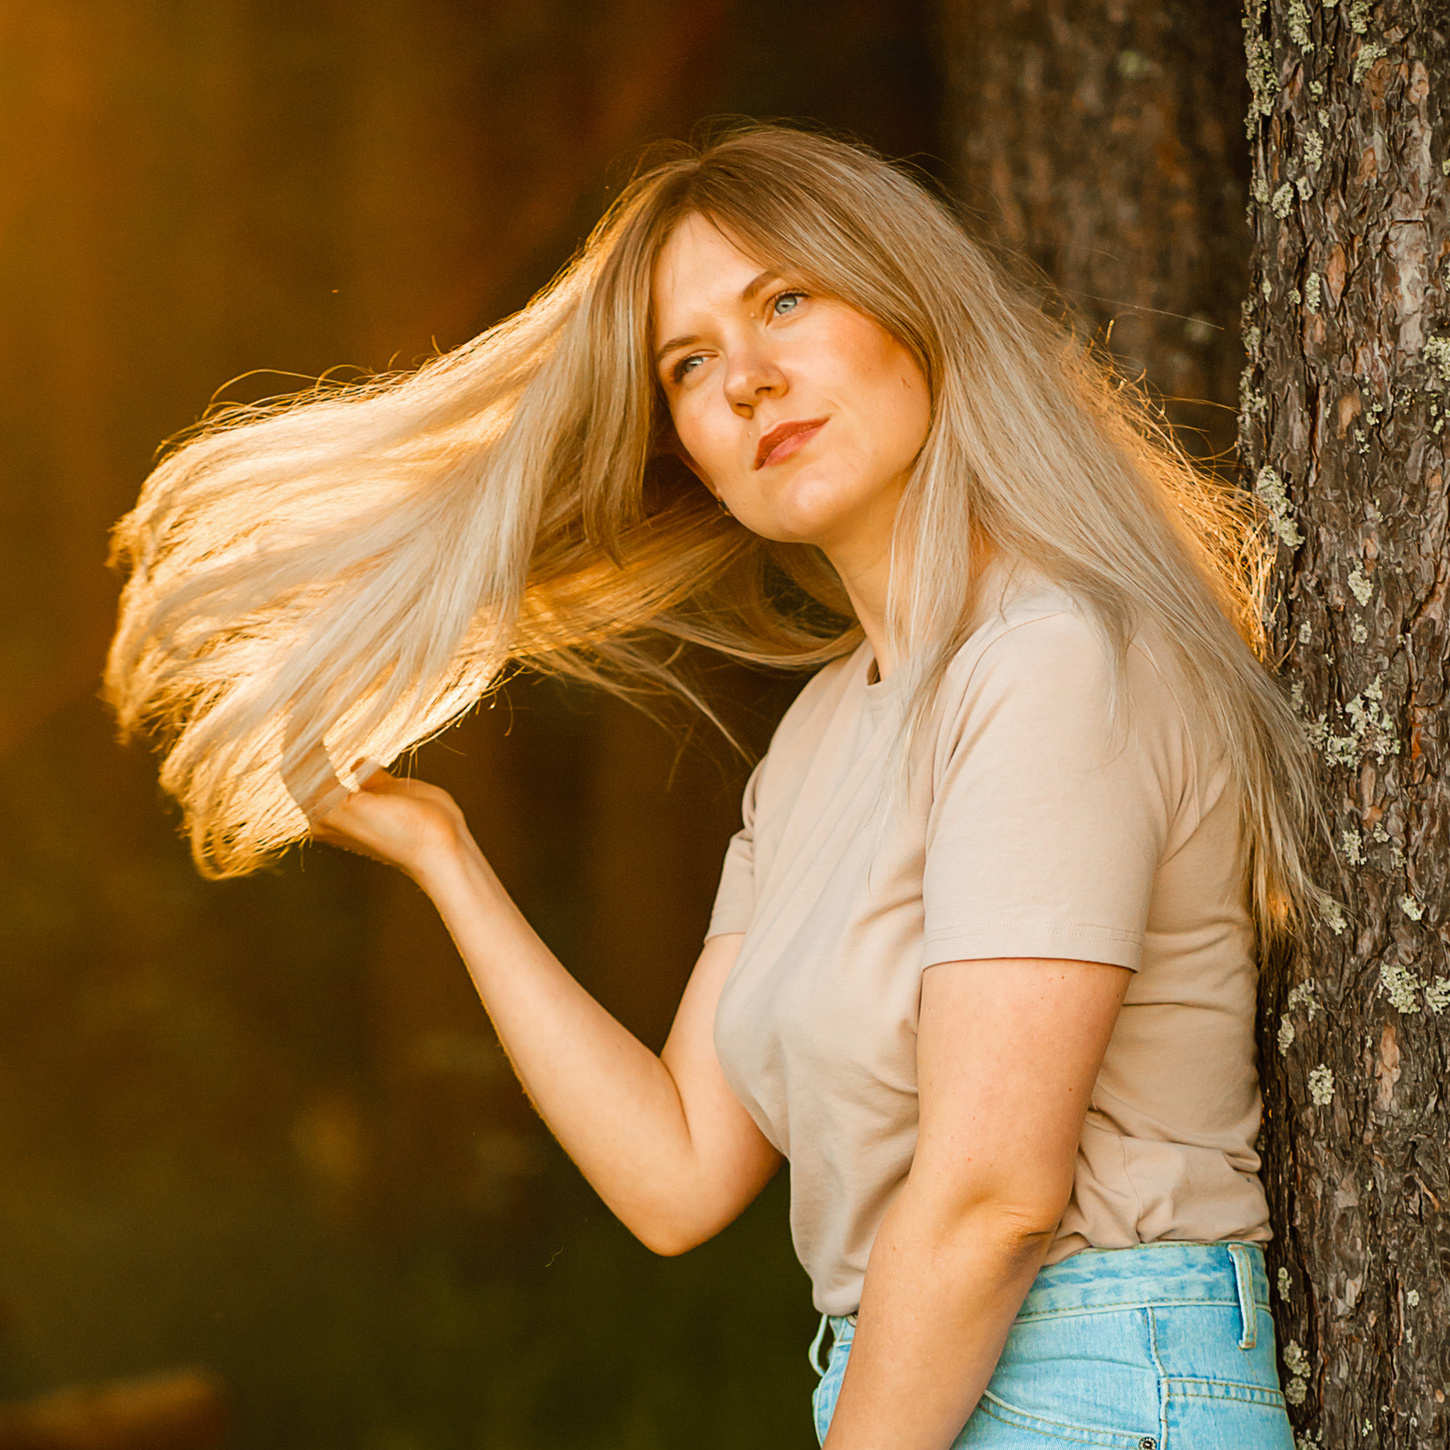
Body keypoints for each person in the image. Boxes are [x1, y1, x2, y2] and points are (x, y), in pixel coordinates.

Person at [107, 124, 1324, 1448]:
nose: (744, 380)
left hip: (1096, 1385)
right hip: (924, 1386)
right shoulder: (820, 738)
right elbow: (679, 1169)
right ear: (679, 437)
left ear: (910, 304)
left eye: (784, 300)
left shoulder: (1049, 660)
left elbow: (991, 1200)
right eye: (688, 364)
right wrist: (444, 859)